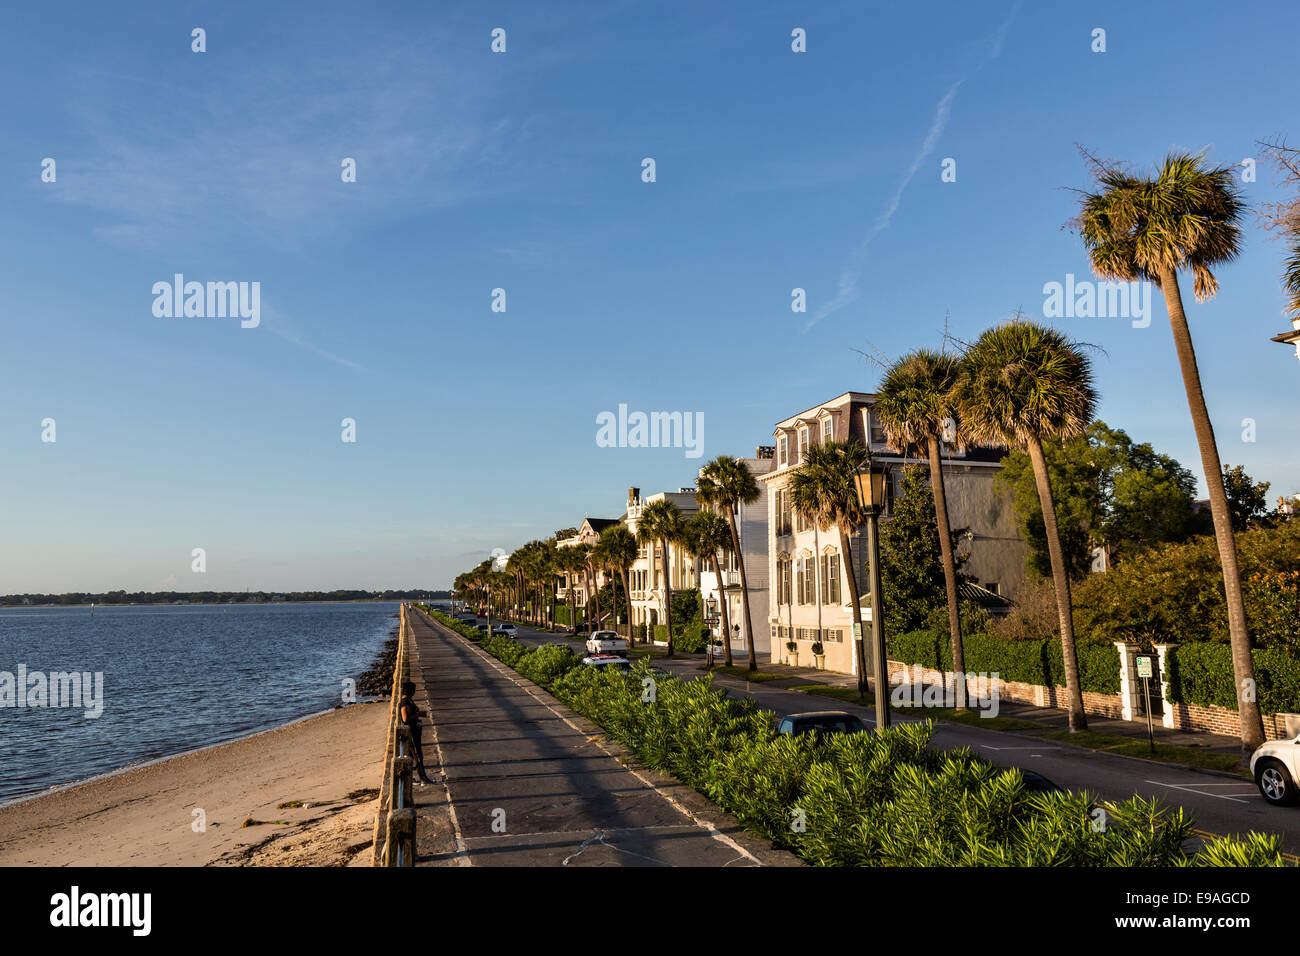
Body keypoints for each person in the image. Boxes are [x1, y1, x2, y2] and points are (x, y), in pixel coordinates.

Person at [398, 681, 435, 785]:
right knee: (418, 756)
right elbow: (405, 719)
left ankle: (421, 777)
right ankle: (424, 779)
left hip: (416, 732)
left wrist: (421, 715)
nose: (415, 692)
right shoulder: (404, 703)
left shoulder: (409, 700)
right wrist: (418, 713)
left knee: (417, 756)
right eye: (413, 690)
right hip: (411, 734)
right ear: (410, 690)